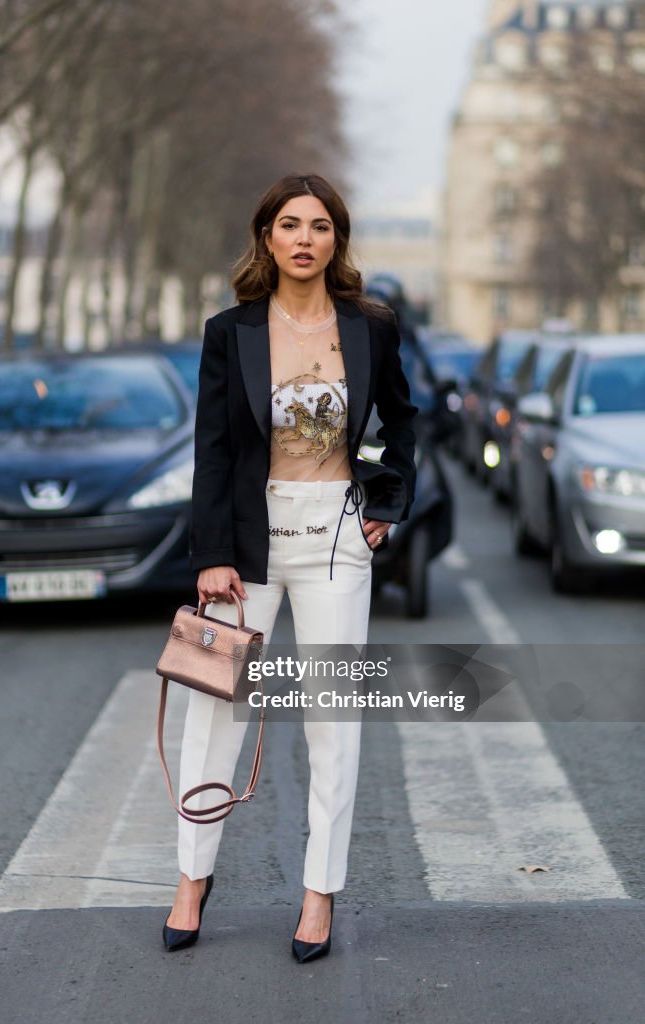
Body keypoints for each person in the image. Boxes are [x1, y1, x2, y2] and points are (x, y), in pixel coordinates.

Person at [162, 172, 417, 962]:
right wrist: (210, 555)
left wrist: (384, 502)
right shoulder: (229, 331)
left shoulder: (370, 326)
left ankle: (318, 895)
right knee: (213, 714)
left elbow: (403, 420)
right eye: (289, 225)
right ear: (266, 238)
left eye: (319, 226)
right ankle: (191, 878)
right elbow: (211, 450)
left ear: (336, 240)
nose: (304, 238)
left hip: (338, 538)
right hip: (249, 542)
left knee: (332, 724)